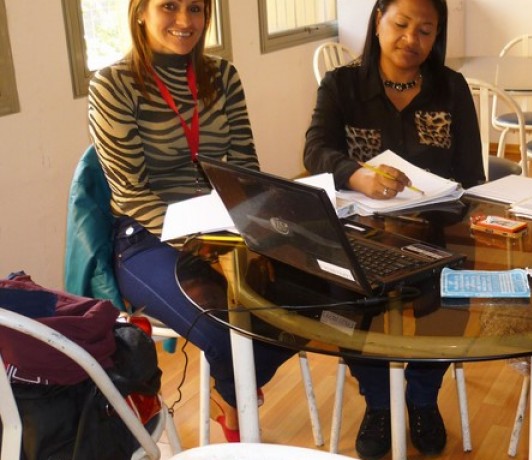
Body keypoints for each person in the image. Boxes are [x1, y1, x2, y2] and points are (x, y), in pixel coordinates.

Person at [87, 0, 296, 442]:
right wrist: (202, 242)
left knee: (318, 302)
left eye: (196, 8)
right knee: (229, 332)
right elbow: (130, 193)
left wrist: (255, 228)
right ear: (140, 11)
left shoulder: (223, 76)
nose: (185, 21)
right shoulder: (113, 84)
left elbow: (244, 169)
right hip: (147, 236)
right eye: (169, 6)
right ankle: (237, 407)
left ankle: (231, 390)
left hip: (225, 227)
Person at [302, 0, 483, 457]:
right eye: (401, 24)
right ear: (378, 21)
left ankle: (422, 397)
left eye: (425, 30)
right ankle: (379, 402)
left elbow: (471, 175)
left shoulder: (451, 88)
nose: (411, 39)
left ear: (437, 35)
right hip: (363, 231)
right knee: (342, 301)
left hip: (436, 233)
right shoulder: (342, 85)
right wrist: (356, 174)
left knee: (453, 298)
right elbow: (316, 151)